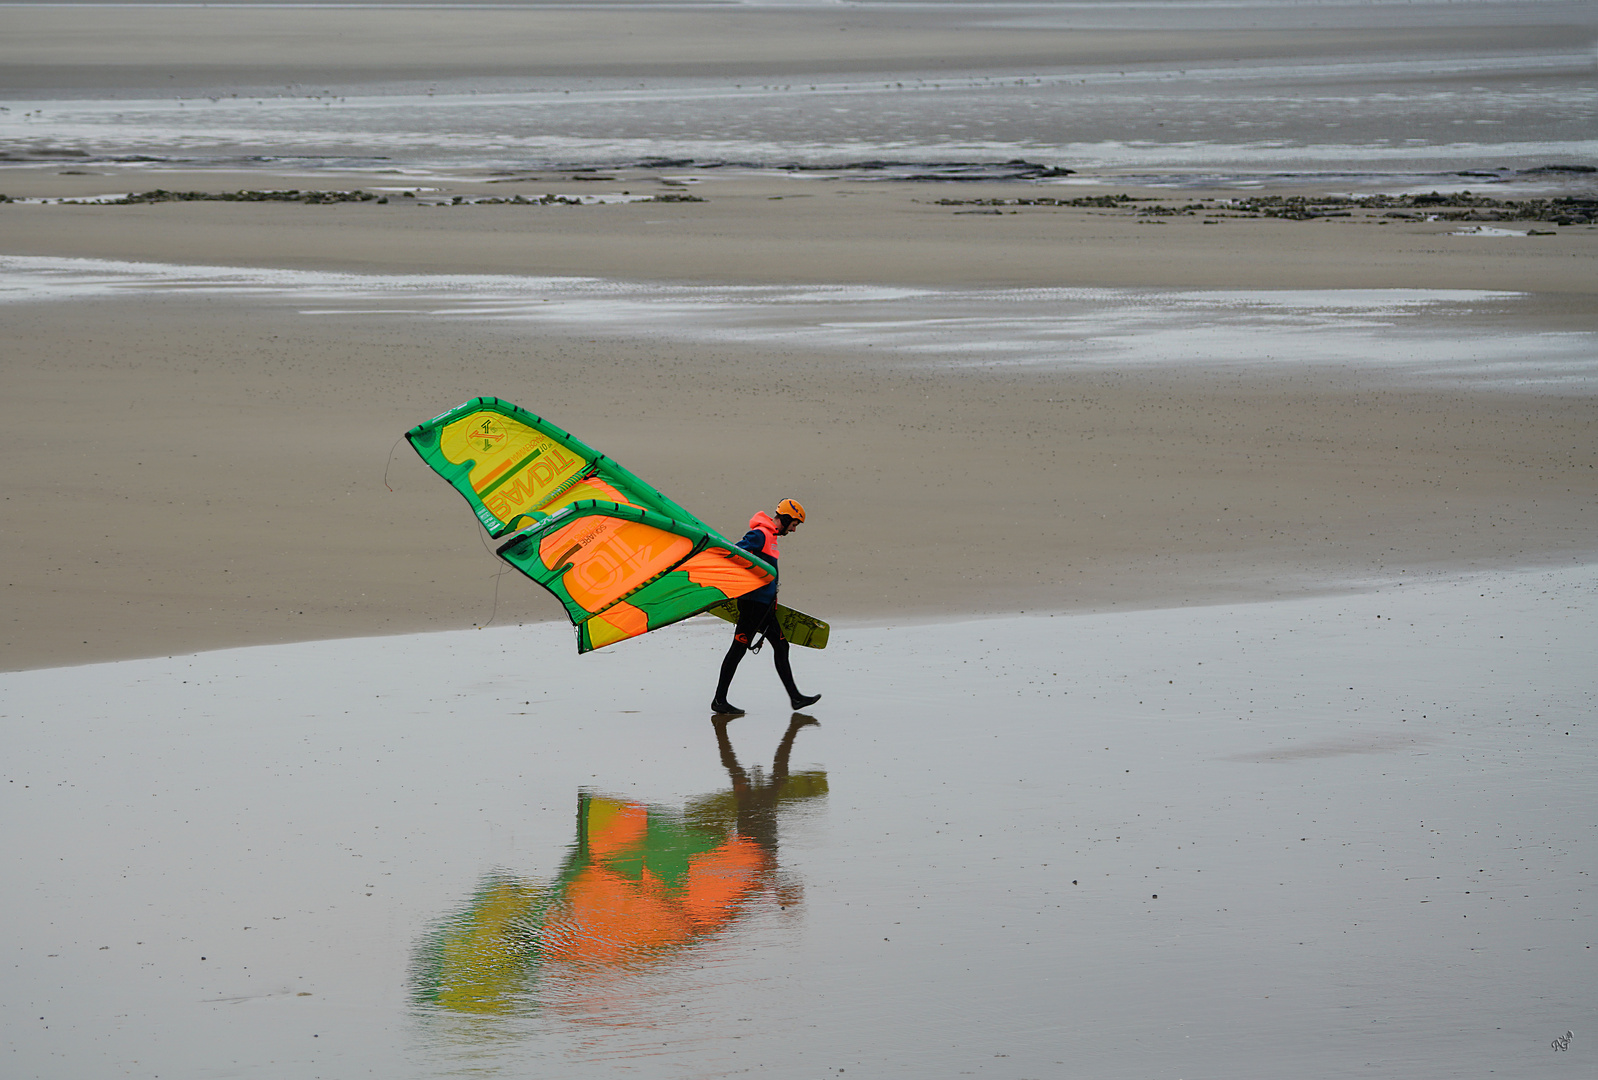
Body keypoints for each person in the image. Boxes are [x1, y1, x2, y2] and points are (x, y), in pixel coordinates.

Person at [710, 499, 821, 715]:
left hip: (765, 607)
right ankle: (719, 700)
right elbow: (734, 553)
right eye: (794, 524)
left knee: (781, 646)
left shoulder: (771, 537)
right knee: (737, 650)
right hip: (752, 606)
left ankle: (796, 698)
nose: (794, 529)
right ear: (787, 518)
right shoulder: (760, 534)